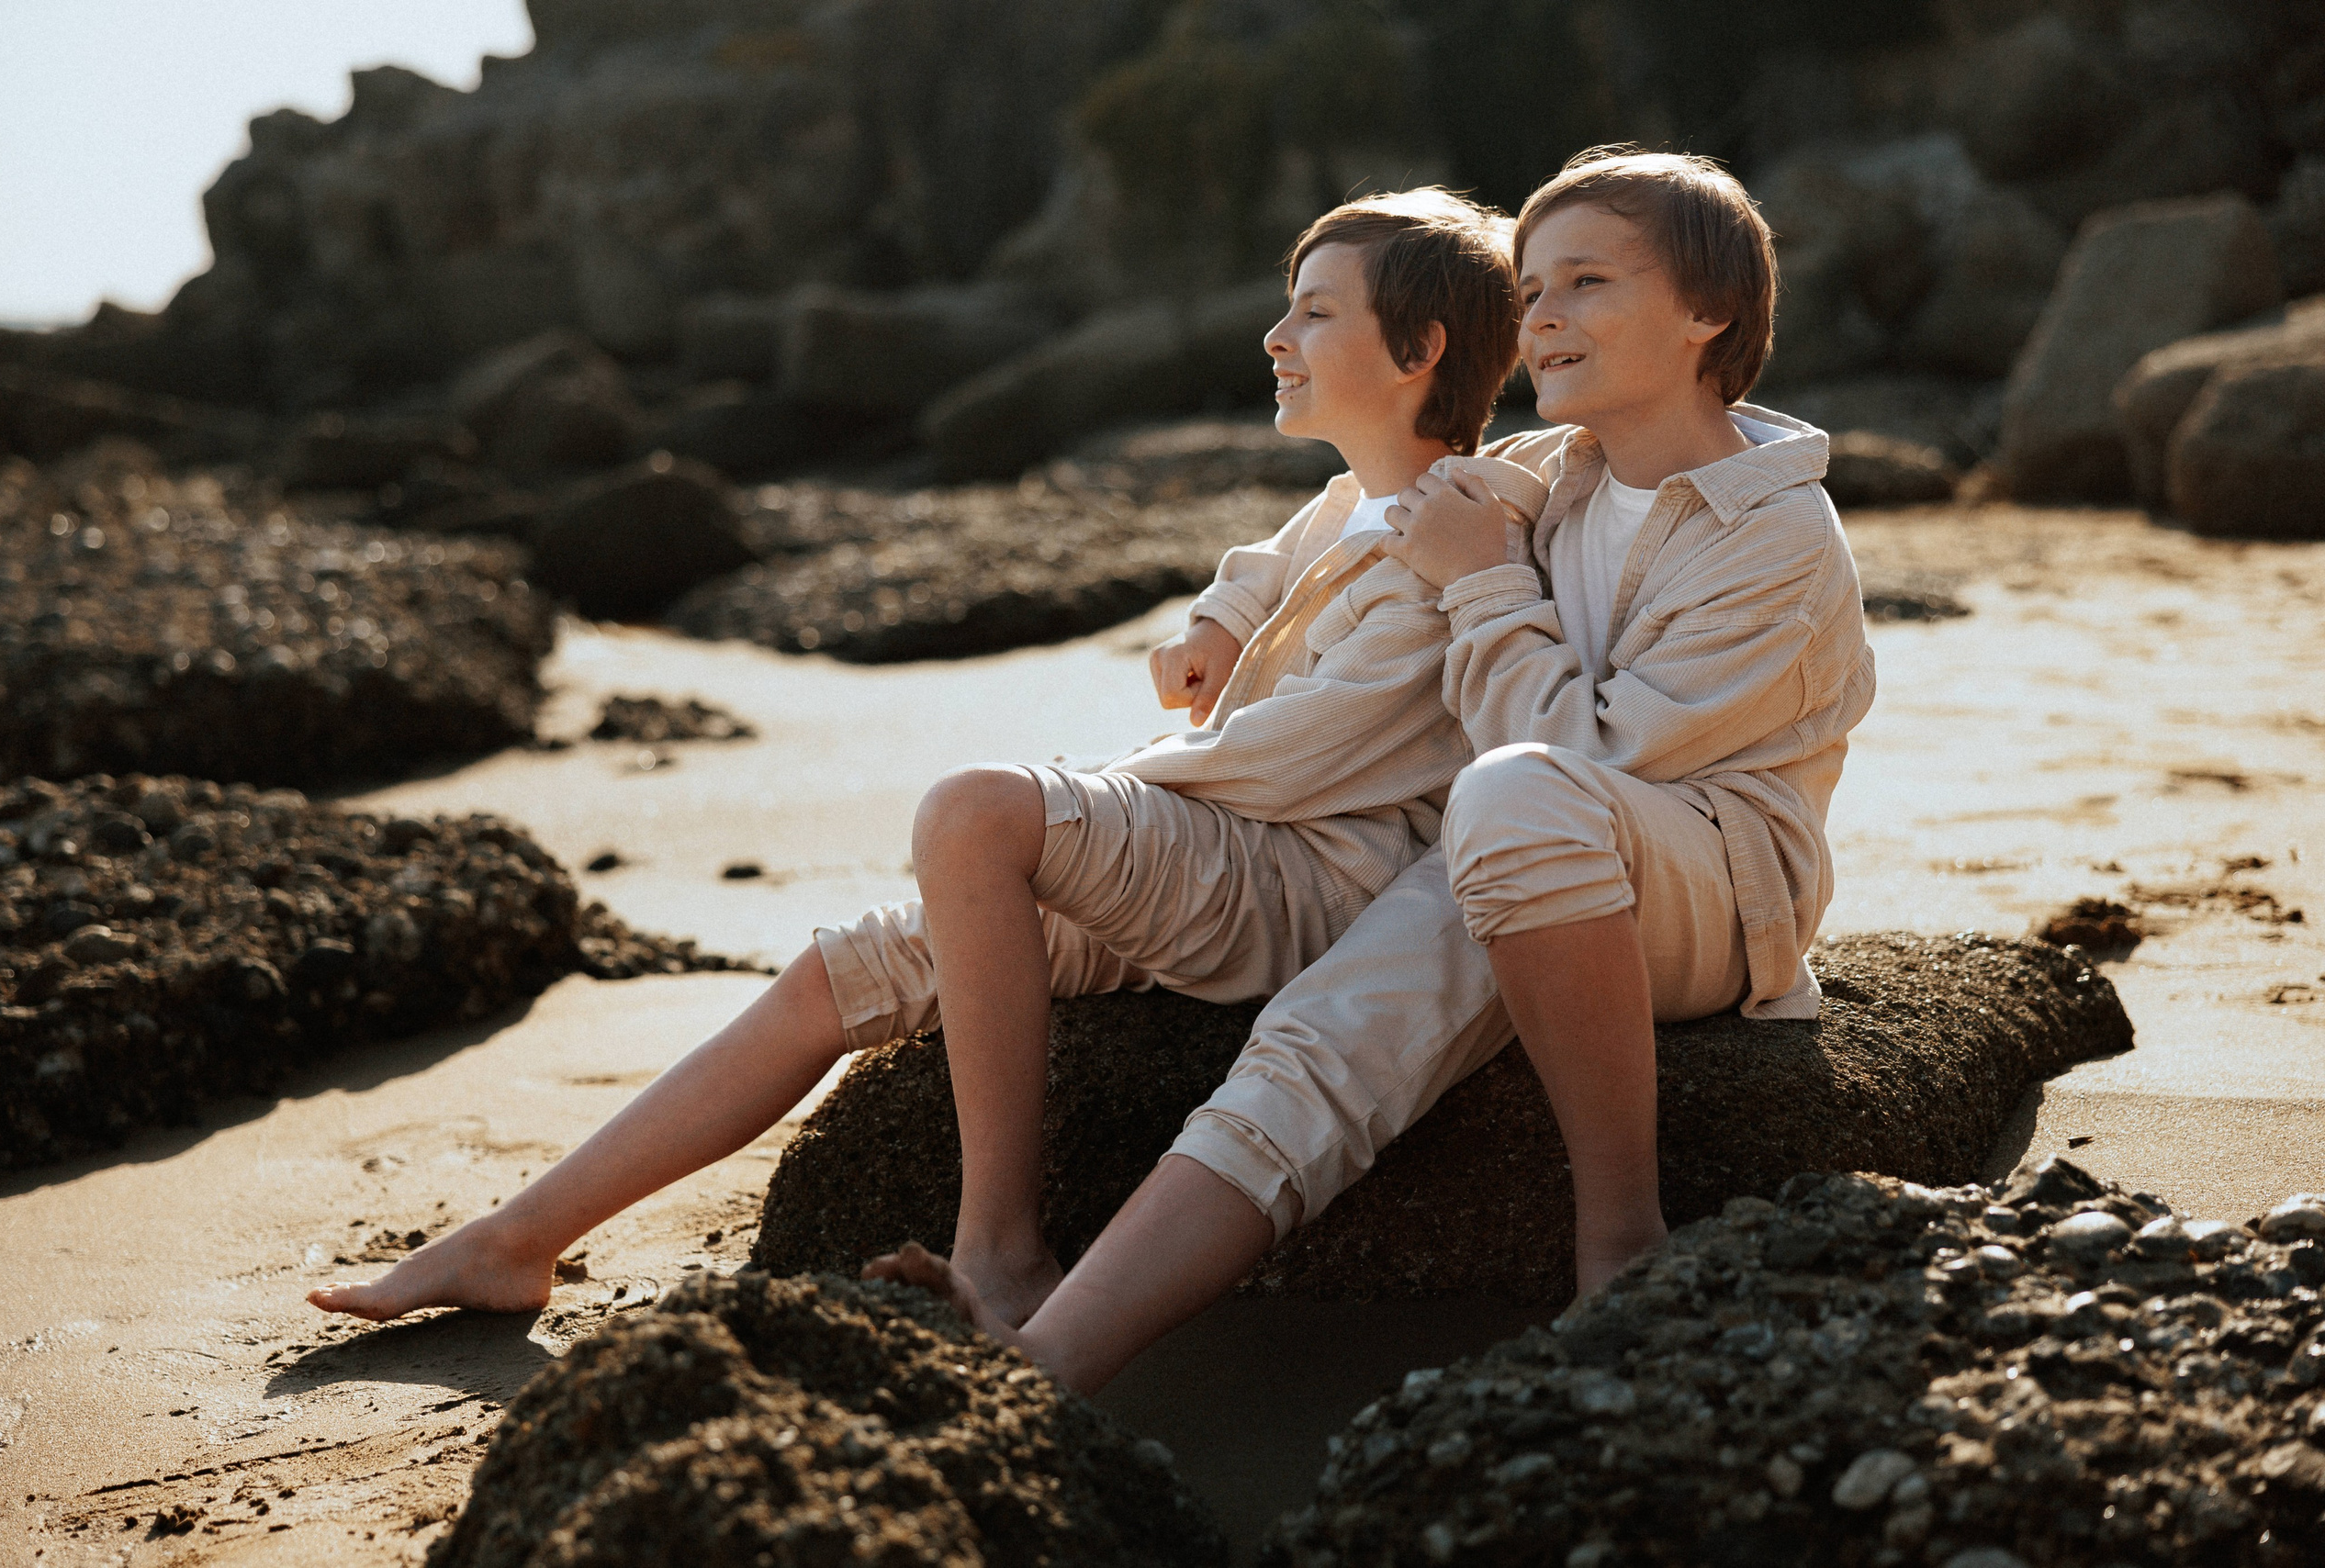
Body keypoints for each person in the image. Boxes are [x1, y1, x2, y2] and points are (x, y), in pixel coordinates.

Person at [306, 187, 1538, 1329]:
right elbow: (1271, 561)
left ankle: (999, 1246)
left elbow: (1291, 762)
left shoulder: (1455, 533)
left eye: (1315, 313)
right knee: (839, 975)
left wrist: (1080, 805)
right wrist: (1215, 621)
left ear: (1420, 350)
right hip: (1223, 853)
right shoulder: (1349, 501)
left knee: (974, 815)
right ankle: (518, 1238)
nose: (1276, 335)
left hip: (1305, 884)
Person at [869, 146, 1875, 1397]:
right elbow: (1344, 517)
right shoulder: (1549, 481)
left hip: (1714, 888)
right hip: (1531, 849)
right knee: (1320, 1037)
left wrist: (1488, 584)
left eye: (1586, 284)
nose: (1541, 316)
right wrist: (1231, 614)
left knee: (1508, 801)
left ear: (1707, 314)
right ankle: (1046, 1366)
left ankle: (1619, 1232)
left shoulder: (1773, 530)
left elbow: (1593, 757)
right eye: (1532, 288)